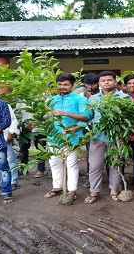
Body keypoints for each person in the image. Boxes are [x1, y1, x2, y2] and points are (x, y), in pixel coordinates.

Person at [84, 71, 130, 204]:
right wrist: (78, 128)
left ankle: (114, 190)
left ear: (115, 82)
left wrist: (124, 135)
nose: (106, 82)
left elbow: (128, 119)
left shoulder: (124, 98)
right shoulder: (93, 99)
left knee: (115, 165)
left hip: (117, 137)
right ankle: (94, 192)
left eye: (109, 80)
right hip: (97, 137)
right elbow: (88, 117)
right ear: (99, 83)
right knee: (94, 166)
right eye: (103, 80)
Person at [43, 73, 90, 202]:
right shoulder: (52, 100)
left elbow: (85, 117)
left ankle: (72, 190)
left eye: (66, 84)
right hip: (53, 137)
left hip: (72, 137)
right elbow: (47, 116)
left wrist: (65, 113)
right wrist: (45, 117)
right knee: (54, 163)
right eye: (60, 84)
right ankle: (57, 187)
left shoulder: (80, 99)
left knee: (71, 164)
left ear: (72, 85)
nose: (62, 87)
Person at [0, 86, 20, 190]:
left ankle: (13, 181)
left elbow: (13, 120)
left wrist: (11, 133)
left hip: (5, 137)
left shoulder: (5, 105)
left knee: (9, 159)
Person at [82, 73, 100, 188]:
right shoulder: (81, 95)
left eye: (93, 84)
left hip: (103, 129)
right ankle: (90, 178)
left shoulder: (103, 94)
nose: (90, 87)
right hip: (88, 129)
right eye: (87, 84)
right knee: (91, 155)